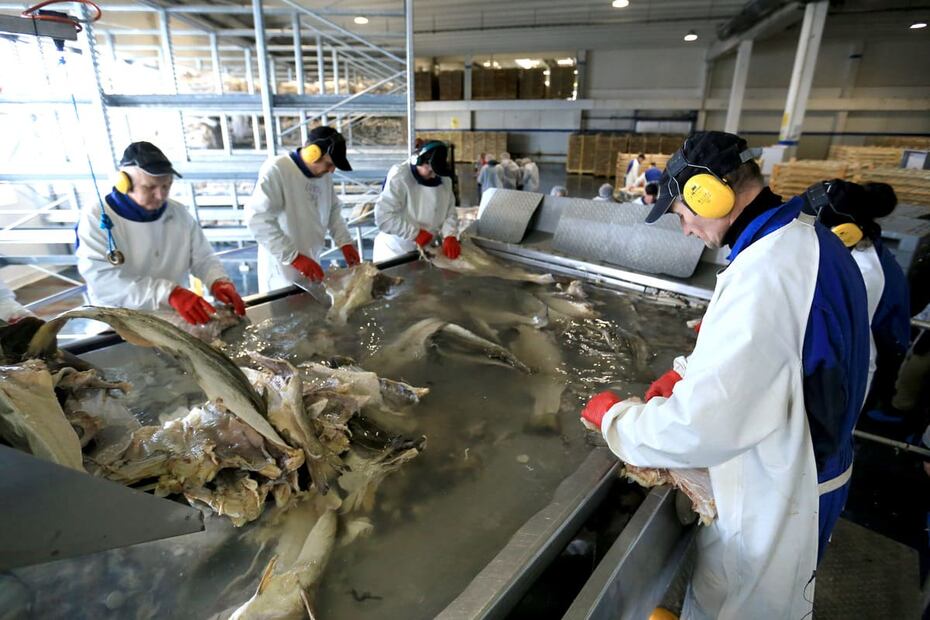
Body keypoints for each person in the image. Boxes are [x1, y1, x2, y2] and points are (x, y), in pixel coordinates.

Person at [580, 131, 870, 618]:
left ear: (708, 194)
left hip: (780, 488)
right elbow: (780, 354)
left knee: (736, 606)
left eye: (682, 214)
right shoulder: (801, 238)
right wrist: (687, 373)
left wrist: (618, 420)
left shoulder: (766, 272)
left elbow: (701, 426)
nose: (685, 229)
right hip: (814, 464)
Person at [76, 141, 245, 325]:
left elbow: (203, 258)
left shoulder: (178, 213)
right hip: (118, 321)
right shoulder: (96, 218)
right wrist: (169, 293)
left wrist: (217, 280)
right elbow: (104, 281)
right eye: (150, 188)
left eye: (166, 186)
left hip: (172, 315)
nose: (161, 195)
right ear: (124, 183)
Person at [804, 179, 910, 411]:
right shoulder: (853, 253)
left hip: (847, 373)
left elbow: (835, 335)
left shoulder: (864, 273)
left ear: (844, 232)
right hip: (835, 365)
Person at [246, 126, 360, 293]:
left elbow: (333, 212)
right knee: (285, 305)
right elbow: (257, 219)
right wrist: (294, 257)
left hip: (310, 261)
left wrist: (345, 242)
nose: (332, 170)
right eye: (329, 164)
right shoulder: (278, 169)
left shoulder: (323, 176)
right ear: (312, 153)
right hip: (281, 270)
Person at [373, 140, 460, 263]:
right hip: (395, 251)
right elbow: (383, 217)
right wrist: (415, 234)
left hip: (425, 249)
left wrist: (450, 234)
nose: (433, 176)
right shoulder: (400, 177)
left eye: (436, 172)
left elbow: (449, 212)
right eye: (430, 171)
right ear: (418, 161)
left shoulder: (444, 179)